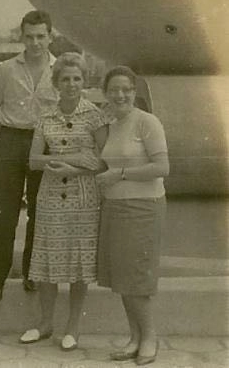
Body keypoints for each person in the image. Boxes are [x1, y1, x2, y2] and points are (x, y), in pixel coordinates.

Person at [19, 52, 107, 351]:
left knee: (79, 261)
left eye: (77, 79)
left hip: (83, 197)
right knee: (47, 260)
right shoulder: (45, 116)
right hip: (51, 197)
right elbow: (33, 160)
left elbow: (104, 160)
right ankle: (45, 323)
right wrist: (72, 159)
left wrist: (76, 168)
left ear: (84, 82)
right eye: (65, 79)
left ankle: (73, 327)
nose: (71, 84)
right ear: (56, 83)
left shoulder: (95, 115)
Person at [97, 66, 169, 365]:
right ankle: (134, 338)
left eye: (126, 89)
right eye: (114, 89)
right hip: (115, 208)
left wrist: (121, 174)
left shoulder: (147, 122)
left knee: (138, 276)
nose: (121, 94)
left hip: (143, 207)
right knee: (123, 277)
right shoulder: (112, 124)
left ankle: (150, 338)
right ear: (105, 93)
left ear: (134, 91)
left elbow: (163, 168)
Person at [0, 10, 58, 303]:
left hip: (46, 142)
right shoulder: (6, 69)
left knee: (40, 212)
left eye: (41, 36)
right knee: (3, 212)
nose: (36, 42)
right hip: (12, 138)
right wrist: (8, 138)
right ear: (21, 36)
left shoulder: (59, 68)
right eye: (30, 36)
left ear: (50, 37)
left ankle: (31, 271)